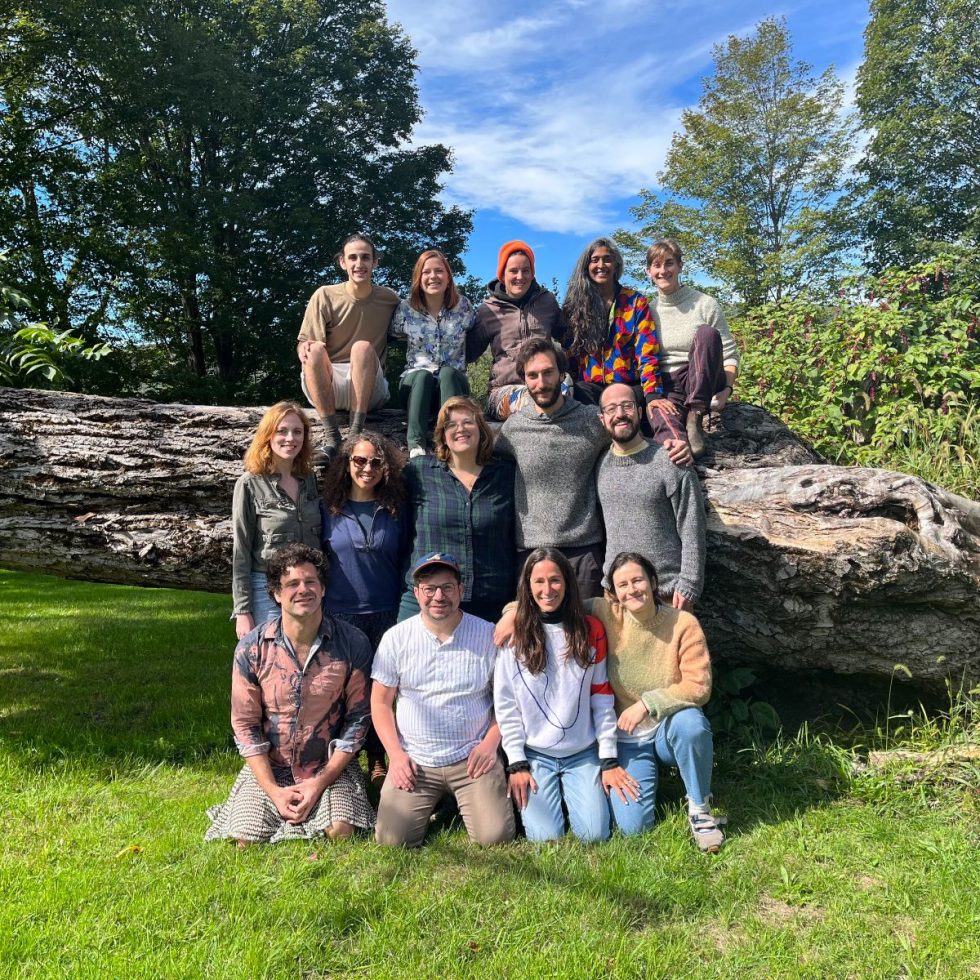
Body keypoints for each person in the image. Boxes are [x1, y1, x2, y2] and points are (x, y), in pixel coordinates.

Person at [205, 544, 375, 845]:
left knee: (341, 832)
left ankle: (324, 805)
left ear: (323, 589)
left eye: (311, 582)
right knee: (246, 838)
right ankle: (268, 804)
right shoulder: (252, 649)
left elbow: (358, 721)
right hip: (272, 767)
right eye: (292, 584)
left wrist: (319, 783)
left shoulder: (353, 644)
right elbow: (245, 726)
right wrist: (273, 790)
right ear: (276, 593)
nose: (303, 590)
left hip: (329, 767)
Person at [371, 553, 516, 848]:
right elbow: (381, 703)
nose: (439, 596)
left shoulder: (488, 635)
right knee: (391, 840)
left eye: (448, 587)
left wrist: (490, 745)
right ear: (416, 593)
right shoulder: (396, 638)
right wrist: (396, 756)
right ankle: (444, 804)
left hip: (472, 758)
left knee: (495, 838)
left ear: (461, 590)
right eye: (430, 589)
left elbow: (509, 700)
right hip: (416, 760)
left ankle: (464, 802)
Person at [494, 549, 636, 843]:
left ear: (568, 583)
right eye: (539, 582)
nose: (548, 590)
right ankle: (554, 802)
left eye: (555, 580)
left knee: (595, 835)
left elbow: (601, 699)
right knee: (545, 838)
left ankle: (577, 797)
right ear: (527, 587)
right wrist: (517, 762)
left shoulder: (591, 630)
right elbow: (506, 705)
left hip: (582, 753)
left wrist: (608, 758)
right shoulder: (514, 635)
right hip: (536, 755)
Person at [594, 551, 724, 853]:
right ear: (614, 592)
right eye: (622, 584)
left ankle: (700, 809)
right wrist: (511, 613)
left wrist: (647, 703)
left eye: (638, 580)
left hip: (668, 730)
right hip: (627, 741)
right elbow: (551, 601)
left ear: (653, 582)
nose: (632, 589)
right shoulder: (605, 613)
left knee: (691, 723)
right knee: (633, 828)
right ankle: (653, 783)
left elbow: (699, 686)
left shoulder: (683, 623)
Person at [320, 430, 409, 784]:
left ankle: (377, 757)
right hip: (340, 612)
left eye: (375, 461)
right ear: (346, 464)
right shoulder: (329, 510)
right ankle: (343, 763)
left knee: (381, 690)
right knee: (345, 690)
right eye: (359, 460)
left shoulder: (395, 510)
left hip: (387, 610)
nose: (367, 468)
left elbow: (404, 557)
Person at [400, 395, 515, 623]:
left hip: (491, 602)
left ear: (481, 428)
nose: (460, 429)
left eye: (467, 422)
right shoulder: (419, 473)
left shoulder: (506, 474)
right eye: (450, 424)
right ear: (442, 434)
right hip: (427, 600)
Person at [597, 384, 706, 610]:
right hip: (616, 597)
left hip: (667, 596)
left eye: (627, 406)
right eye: (611, 409)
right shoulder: (598, 466)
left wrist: (690, 584)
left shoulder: (671, 460)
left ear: (639, 412)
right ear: (602, 419)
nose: (620, 414)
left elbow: (692, 526)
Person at [297, 233, 398, 463]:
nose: (359, 264)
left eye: (365, 257)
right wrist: (304, 348)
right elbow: (306, 345)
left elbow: (414, 328)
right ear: (343, 262)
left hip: (369, 387)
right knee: (314, 350)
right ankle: (332, 437)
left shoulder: (389, 299)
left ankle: (355, 433)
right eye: (353, 258)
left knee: (362, 347)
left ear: (375, 262)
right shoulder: (325, 295)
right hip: (328, 385)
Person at [232, 401, 322, 640]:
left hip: (308, 587)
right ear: (268, 435)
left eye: (297, 432)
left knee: (307, 654)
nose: (290, 438)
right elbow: (241, 550)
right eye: (282, 431)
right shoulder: (250, 483)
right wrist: (242, 609)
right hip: (268, 589)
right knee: (273, 660)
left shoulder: (309, 480)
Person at [646, 238, 740, 457]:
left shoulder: (705, 304)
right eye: (657, 265)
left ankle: (695, 414)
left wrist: (727, 390)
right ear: (648, 270)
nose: (663, 271)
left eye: (669, 263)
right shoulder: (647, 311)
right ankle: (678, 444)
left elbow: (729, 354)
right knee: (671, 444)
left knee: (706, 333)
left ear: (680, 265)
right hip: (668, 385)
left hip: (702, 376)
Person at [465, 240, 567, 420]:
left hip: (545, 383)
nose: (520, 276)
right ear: (502, 275)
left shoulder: (547, 302)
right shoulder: (488, 310)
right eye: (513, 271)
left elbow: (569, 338)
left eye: (526, 270)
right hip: (504, 390)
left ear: (532, 273)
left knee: (565, 395)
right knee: (532, 403)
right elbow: (467, 353)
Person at [562, 237, 662, 416]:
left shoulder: (635, 302)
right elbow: (569, 353)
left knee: (625, 409)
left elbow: (647, 351)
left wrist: (652, 394)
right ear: (586, 266)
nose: (601, 265)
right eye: (595, 260)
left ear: (616, 265)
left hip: (628, 386)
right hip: (590, 388)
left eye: (607, 259)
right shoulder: (574, 306)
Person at [389, 249, 474, 458]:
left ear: (448, 277)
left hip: (452, 386)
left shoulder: (463, 307)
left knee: (448, 373)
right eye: (426, 272)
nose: (433, 276)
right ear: (419, 277)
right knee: (422, 375)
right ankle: (416, 445)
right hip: (415, 387)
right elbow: (389, 335)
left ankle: (451, 439)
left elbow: (478, 334)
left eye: (439, 271)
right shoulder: (405, 309)